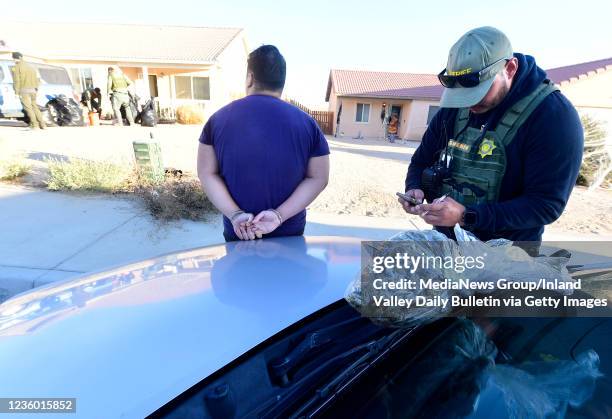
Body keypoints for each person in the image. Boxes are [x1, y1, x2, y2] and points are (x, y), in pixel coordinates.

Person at [400, 27, 583, 244]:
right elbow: (421, 161)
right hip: (448, 247)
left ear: (510, 68)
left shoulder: (553, 117)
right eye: (461, 95)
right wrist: (414, 187)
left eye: (478, 91)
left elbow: (545, 205)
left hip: (509, 256)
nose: (468, 102)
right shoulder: (455, 106)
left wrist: (466, 215)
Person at [197, 45, 330, 242]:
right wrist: (279, 215)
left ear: (250, 77)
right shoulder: (308, 124)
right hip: (289, 234)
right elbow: (319, 178)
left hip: (239, 232)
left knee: (239, 275)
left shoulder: (217, 120)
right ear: (282, 82)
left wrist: (235, 215)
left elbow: (206, 173)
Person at [10, 52, 46, 130]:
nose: (13, 60)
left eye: (13, 58)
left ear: (17, 58)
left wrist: (16, 92)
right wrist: (37, 89)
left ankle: (35, 125)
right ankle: (43, 125)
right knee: (35, 107)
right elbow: (38, 79)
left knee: (28, 108)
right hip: (33, 90)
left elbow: (17, 81)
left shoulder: (17, 67)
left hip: (24, 90)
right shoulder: (31, 66)